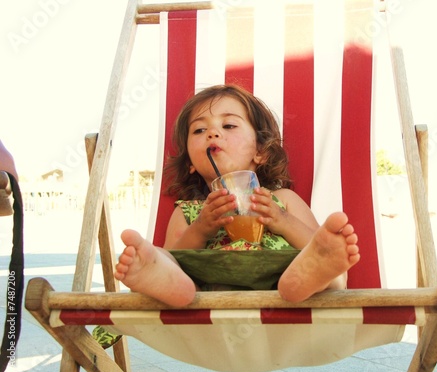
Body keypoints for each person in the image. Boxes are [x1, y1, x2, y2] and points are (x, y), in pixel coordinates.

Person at [115, 85, 360, 306]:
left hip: (284, 285)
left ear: (261, 152)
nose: (212, 133)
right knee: (166, 261)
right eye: (199, 130)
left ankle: (307, 280)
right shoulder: (190, 211)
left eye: (229, 125)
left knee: (328, 263)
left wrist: (283, 220)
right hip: (213, 296)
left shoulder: (282, 199)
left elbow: (315, 244)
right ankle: (162, 281)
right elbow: (177, 256)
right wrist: (201, 228)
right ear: (190, 162)